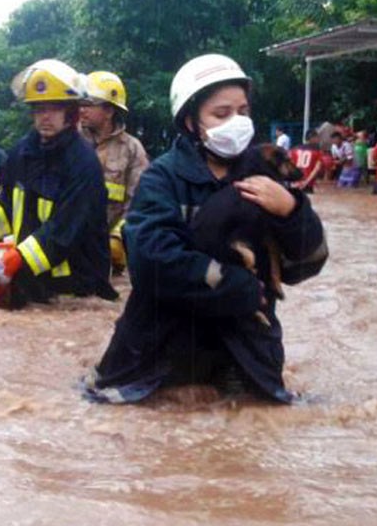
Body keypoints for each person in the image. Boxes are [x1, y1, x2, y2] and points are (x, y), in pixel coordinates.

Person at [81, 54, 327, 404]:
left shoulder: (269, 177)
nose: (237, 122)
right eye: (221, 113)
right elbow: (150, 262)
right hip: (158, 359)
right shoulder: (163, 179)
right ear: (191, 121)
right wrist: (231, 283)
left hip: (246, 359)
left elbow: (306, 264)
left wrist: (291, 212)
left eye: (243, 111)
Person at [0, 59, 118, 307]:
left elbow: (64, 231)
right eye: (39, 109)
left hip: (76, 289)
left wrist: (16, 260)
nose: (45, 117)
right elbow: (8, 204)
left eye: (54, 108)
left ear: (71, 113)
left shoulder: (84, 163)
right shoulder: (21, 152)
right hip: (31, 280)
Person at [80, 71, 150, 274]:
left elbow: (138, 202)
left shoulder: (132, 149)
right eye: (80, 104)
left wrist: (118, 238)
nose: (82, 110)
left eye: (89, 104)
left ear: (109, 110)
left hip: (112, 254)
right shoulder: (71, 142)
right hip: (71, 246)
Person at [289, 129, 323, 193]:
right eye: (317, 137)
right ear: (312, 138)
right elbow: (317, 168)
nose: (318, 140)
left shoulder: (295, 149)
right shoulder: (316, 151)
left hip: (295, 183)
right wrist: (306, 182)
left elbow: (290, 166)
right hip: (307, 184)